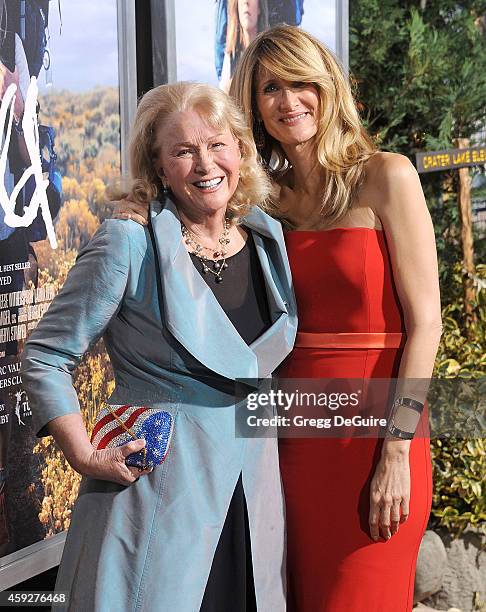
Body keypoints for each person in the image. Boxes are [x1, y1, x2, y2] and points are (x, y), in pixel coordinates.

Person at [117, 24, 442, 612]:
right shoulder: (263, 201)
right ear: (254, 108)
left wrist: (397, 450)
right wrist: (141, 205)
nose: (289, 101)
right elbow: (191, 215)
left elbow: (427, 326)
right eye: (270, 89)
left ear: (327, 87)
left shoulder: (387, 177)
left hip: (373, 433)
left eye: (300, 83)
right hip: (283, 436)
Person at [21, 81, 297, 612]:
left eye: (217, 144)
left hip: (253, 489)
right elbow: (45, 356)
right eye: (183, 151)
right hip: (160, 493)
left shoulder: (265, 236)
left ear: (240, 148)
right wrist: (84, 452)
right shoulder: (129, 241)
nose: (204, 163)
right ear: (159, 165)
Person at [219, 0, 269, 92]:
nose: (246, 2)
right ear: (237, 7)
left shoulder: (270, 51)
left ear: (259, 8)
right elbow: (223, 96)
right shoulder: (231, 55)